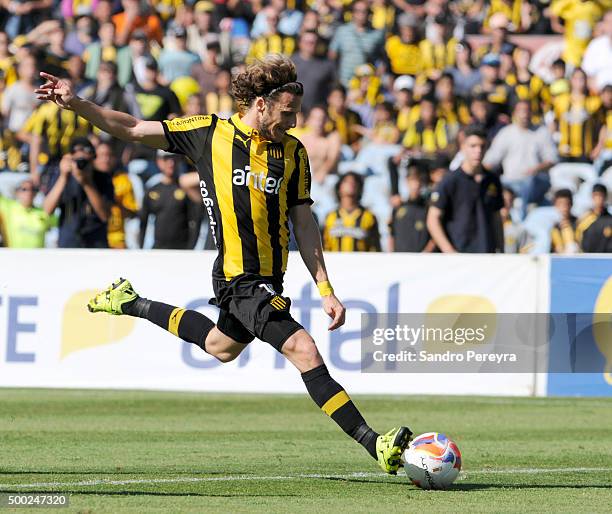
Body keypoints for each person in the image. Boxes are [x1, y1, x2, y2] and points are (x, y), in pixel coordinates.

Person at [35, 54, 412, 473]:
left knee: (221, 347)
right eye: (287, 113)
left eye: (297, 114)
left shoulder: (293, 153)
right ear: (260, 103)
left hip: (270, 279)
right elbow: (132, 128)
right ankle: (373, 441)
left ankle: (132, 302)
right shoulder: (208, 133)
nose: (292, 122)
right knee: (303, 349)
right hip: (239, 277)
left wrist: (326, 288)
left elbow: (304, 222)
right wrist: (78, 103)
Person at [427, 125, 504, 253]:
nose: (478, 151)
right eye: (473, 146)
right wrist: (449, 250)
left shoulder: (492, 180)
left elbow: (496, 218)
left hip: (487, 254)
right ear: (463, 147)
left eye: (482, 146)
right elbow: (432, 219)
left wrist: (501, 249)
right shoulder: (450, 180)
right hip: (460, 255)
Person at [483, 99, 558, 219]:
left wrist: (536, 169)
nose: (525, 114)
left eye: (527, 111)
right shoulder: (506, 133)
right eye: (521, 111)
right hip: (510, 181)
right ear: (514, 114)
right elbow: (491, 160)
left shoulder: (542, 132)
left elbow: (552, 159)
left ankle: (522, 219)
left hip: (536, 181)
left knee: (529, 182)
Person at [42, 137, 114, 248]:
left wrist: (87, 183)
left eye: (86, 161)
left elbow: (105, 215)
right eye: (78, 161)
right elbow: (47, 210)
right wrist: (63, 176)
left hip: (96, 245)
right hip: (68, 244)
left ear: (93, 159)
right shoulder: (63, 177)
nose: (81, 165)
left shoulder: (103, 178)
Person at [139, 150, 199, 250]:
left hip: (182, 251)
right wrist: (141, 250)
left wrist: (191, 249)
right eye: (166, 159)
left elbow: (196, 220)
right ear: (158, 161)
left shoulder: (187, 188)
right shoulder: (152, 189)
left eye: (174, 158)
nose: (171, 163)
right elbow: (143, 223)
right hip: (157, 250)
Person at [93, 141, 138, 249]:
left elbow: (132, 214)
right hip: (92, 238)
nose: (106, 159)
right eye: (102, 155)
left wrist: (116, 201)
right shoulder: (88, 180)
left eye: (109, 155)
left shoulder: (123, 180)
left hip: (116, 239)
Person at [328, 0, 384, 86]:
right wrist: (335, 78)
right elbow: (332, 55)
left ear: (369, 13)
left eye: (364, 11)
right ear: (352, 13)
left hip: (365, 85)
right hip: (344, 83)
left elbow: (382, 59)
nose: (361, 15)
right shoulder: (342, 31)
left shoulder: (376, 34)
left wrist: (377, 76)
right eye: (357, 11)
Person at [322, 172, 381, 252]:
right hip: (334, 263)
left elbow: (375, 248)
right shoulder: (330, 217)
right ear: (339, 188)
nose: (351, 184)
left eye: (354, 182)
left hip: (361, 263)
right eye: (346, 181)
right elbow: (324, 246)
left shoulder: (369, 216)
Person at [388, 166, 433, 252]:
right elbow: (391, 234)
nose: (416, 185)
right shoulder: (398, 207)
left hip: (422, 260)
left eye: (418, 181)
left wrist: (426, 253)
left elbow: (434, 236)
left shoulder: (428, 208)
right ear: (407, 181)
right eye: (413, 180)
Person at [0, 178, 56, 248]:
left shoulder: (43, 212)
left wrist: (63, 176)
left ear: (36, 193)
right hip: (13, 257)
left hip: (37, 258)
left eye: (33, 189)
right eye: (24, 189)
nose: (29, 193)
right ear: (17, 192)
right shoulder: (8, 207)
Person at [292, 30, 336, 113]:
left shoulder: (327, 65)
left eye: (314, 42)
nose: (311, 45)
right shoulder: (290, 63)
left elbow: (333, 89)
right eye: (307, 42)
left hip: (317, 116)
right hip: (295, 113)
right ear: (300, 43)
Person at [577, 184, 612, 253]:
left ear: (605, 197)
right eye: (596, 195)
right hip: (587, 259)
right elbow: (578, 239)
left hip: (607, 260)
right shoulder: (584, 219)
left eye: (601, 195)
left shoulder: (610, 220)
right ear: (592, 197)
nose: (599, 199)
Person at [550, 188, 579, 254]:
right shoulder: (553, 227)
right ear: (555, 205)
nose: (563, 208)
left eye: (566, 204)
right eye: (560, 204)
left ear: (571, 204)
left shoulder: (579, 224)